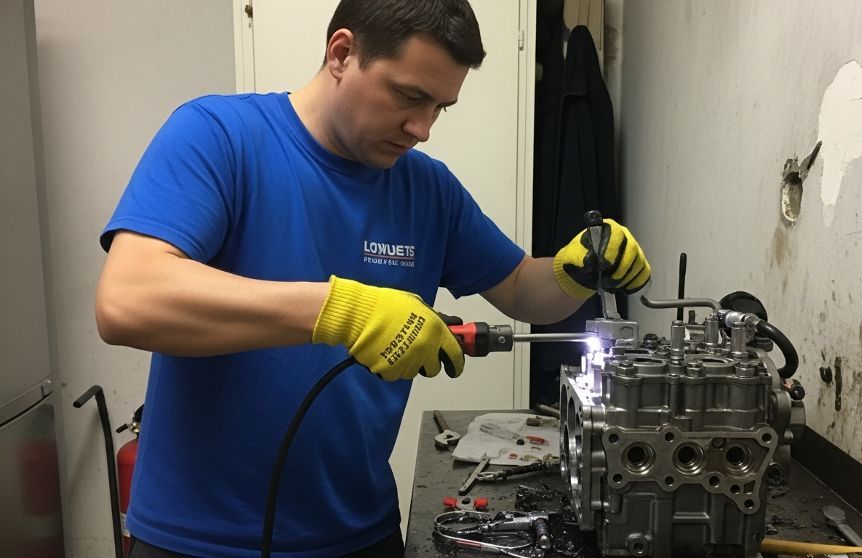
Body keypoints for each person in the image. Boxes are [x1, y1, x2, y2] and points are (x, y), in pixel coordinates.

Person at [95, 1, 651, 556]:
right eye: (409, 97)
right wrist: (344, 312)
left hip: (362, 534)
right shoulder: (219, 136)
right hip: (197, 542)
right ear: (342, 53)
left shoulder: (427, 190)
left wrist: (573, 270)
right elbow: (127, 301)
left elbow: (522, 292)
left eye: (440, 107)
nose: (422, 129)